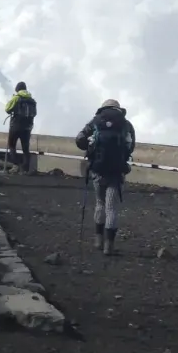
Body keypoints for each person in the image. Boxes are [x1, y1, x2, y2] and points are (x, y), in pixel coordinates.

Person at [75, 99, 136, 255]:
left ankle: (98, 239)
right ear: (118, 109)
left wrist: (90, 148)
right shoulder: (126, 124)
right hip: (117, 172)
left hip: (97, 170)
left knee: (100, 203)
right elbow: (131, 147)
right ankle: (109, 245)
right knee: (112, 208)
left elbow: (79, 139)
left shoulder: (95, 121)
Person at [4, 81, 37, 173]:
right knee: (25, 148)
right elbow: (35, 113)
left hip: (16, 126)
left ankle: (15, 165)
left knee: (12, 145)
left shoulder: (16, 98)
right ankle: (26, 169)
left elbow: (7, 109)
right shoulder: (32, 101)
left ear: (17, 89)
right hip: (27, 127)